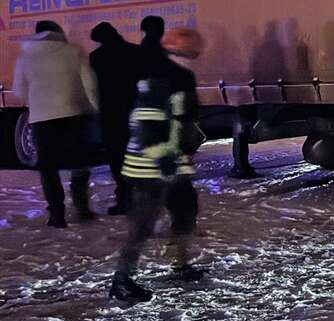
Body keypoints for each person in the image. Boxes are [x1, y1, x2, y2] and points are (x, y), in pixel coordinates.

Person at [110, 27, 206, 302]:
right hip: (151, 165)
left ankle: (180, 264)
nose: (198, 51)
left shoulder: (172, 73)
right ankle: (122, 281)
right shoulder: (165, 75)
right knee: (143, 223)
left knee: (185, 211)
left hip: (170, 161)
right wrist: (162, 157)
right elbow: (147, 121)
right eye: (193, 46)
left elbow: (181, 117)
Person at [11, 21, 99, 227]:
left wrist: (36, 100)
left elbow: (19, 90)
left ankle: (57, 214)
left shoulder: (26, 56)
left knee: (48, 168)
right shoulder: (73, 51)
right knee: (79, 162)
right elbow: (90, 84)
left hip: (41, 118)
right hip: (73, 114)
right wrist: (94, 108)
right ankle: (82, 208)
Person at [89, 23, 141, 215]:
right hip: (133, 109)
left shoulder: (96, 57)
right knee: (135, 155)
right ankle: (140, 196)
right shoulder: (134, 51)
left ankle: (124, 198)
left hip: (110, 113)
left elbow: (93, 86)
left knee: (116, 157)